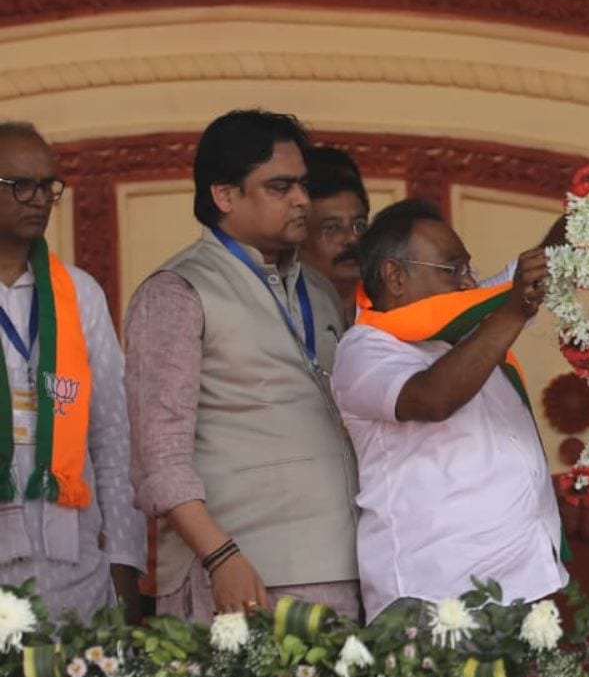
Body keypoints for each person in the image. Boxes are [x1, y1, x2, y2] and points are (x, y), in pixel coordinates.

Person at [126, 109, 360, 622]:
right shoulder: (178, 291)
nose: (302, 199)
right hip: (240, 577)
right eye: (280, 187)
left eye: (303, 184)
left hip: (344, 567)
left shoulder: (318, 292)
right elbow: (159, 461)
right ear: (225, 195)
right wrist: (221, 556)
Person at [332, 198, 566, 622]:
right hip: (437, 595)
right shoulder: (365, 349)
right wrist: (512, 309)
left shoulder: (468, 329)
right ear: (395, 277)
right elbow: (432, 398)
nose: (467, 283)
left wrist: (583, 218)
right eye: (452, 269)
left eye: (468, 269)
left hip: (523, 584)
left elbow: (531, 276)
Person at [0, 123, 143, 622]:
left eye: (48, 186)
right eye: (20, 186)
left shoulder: (79, 294)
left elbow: (112, 432)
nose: (39, 199)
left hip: (74, 568)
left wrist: (125, 560)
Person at [300, 146, 369, 323]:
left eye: (359, 225)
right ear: (299, 239)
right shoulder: (284, 313)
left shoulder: (391, 306)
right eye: (332, 228)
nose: (352, 239)